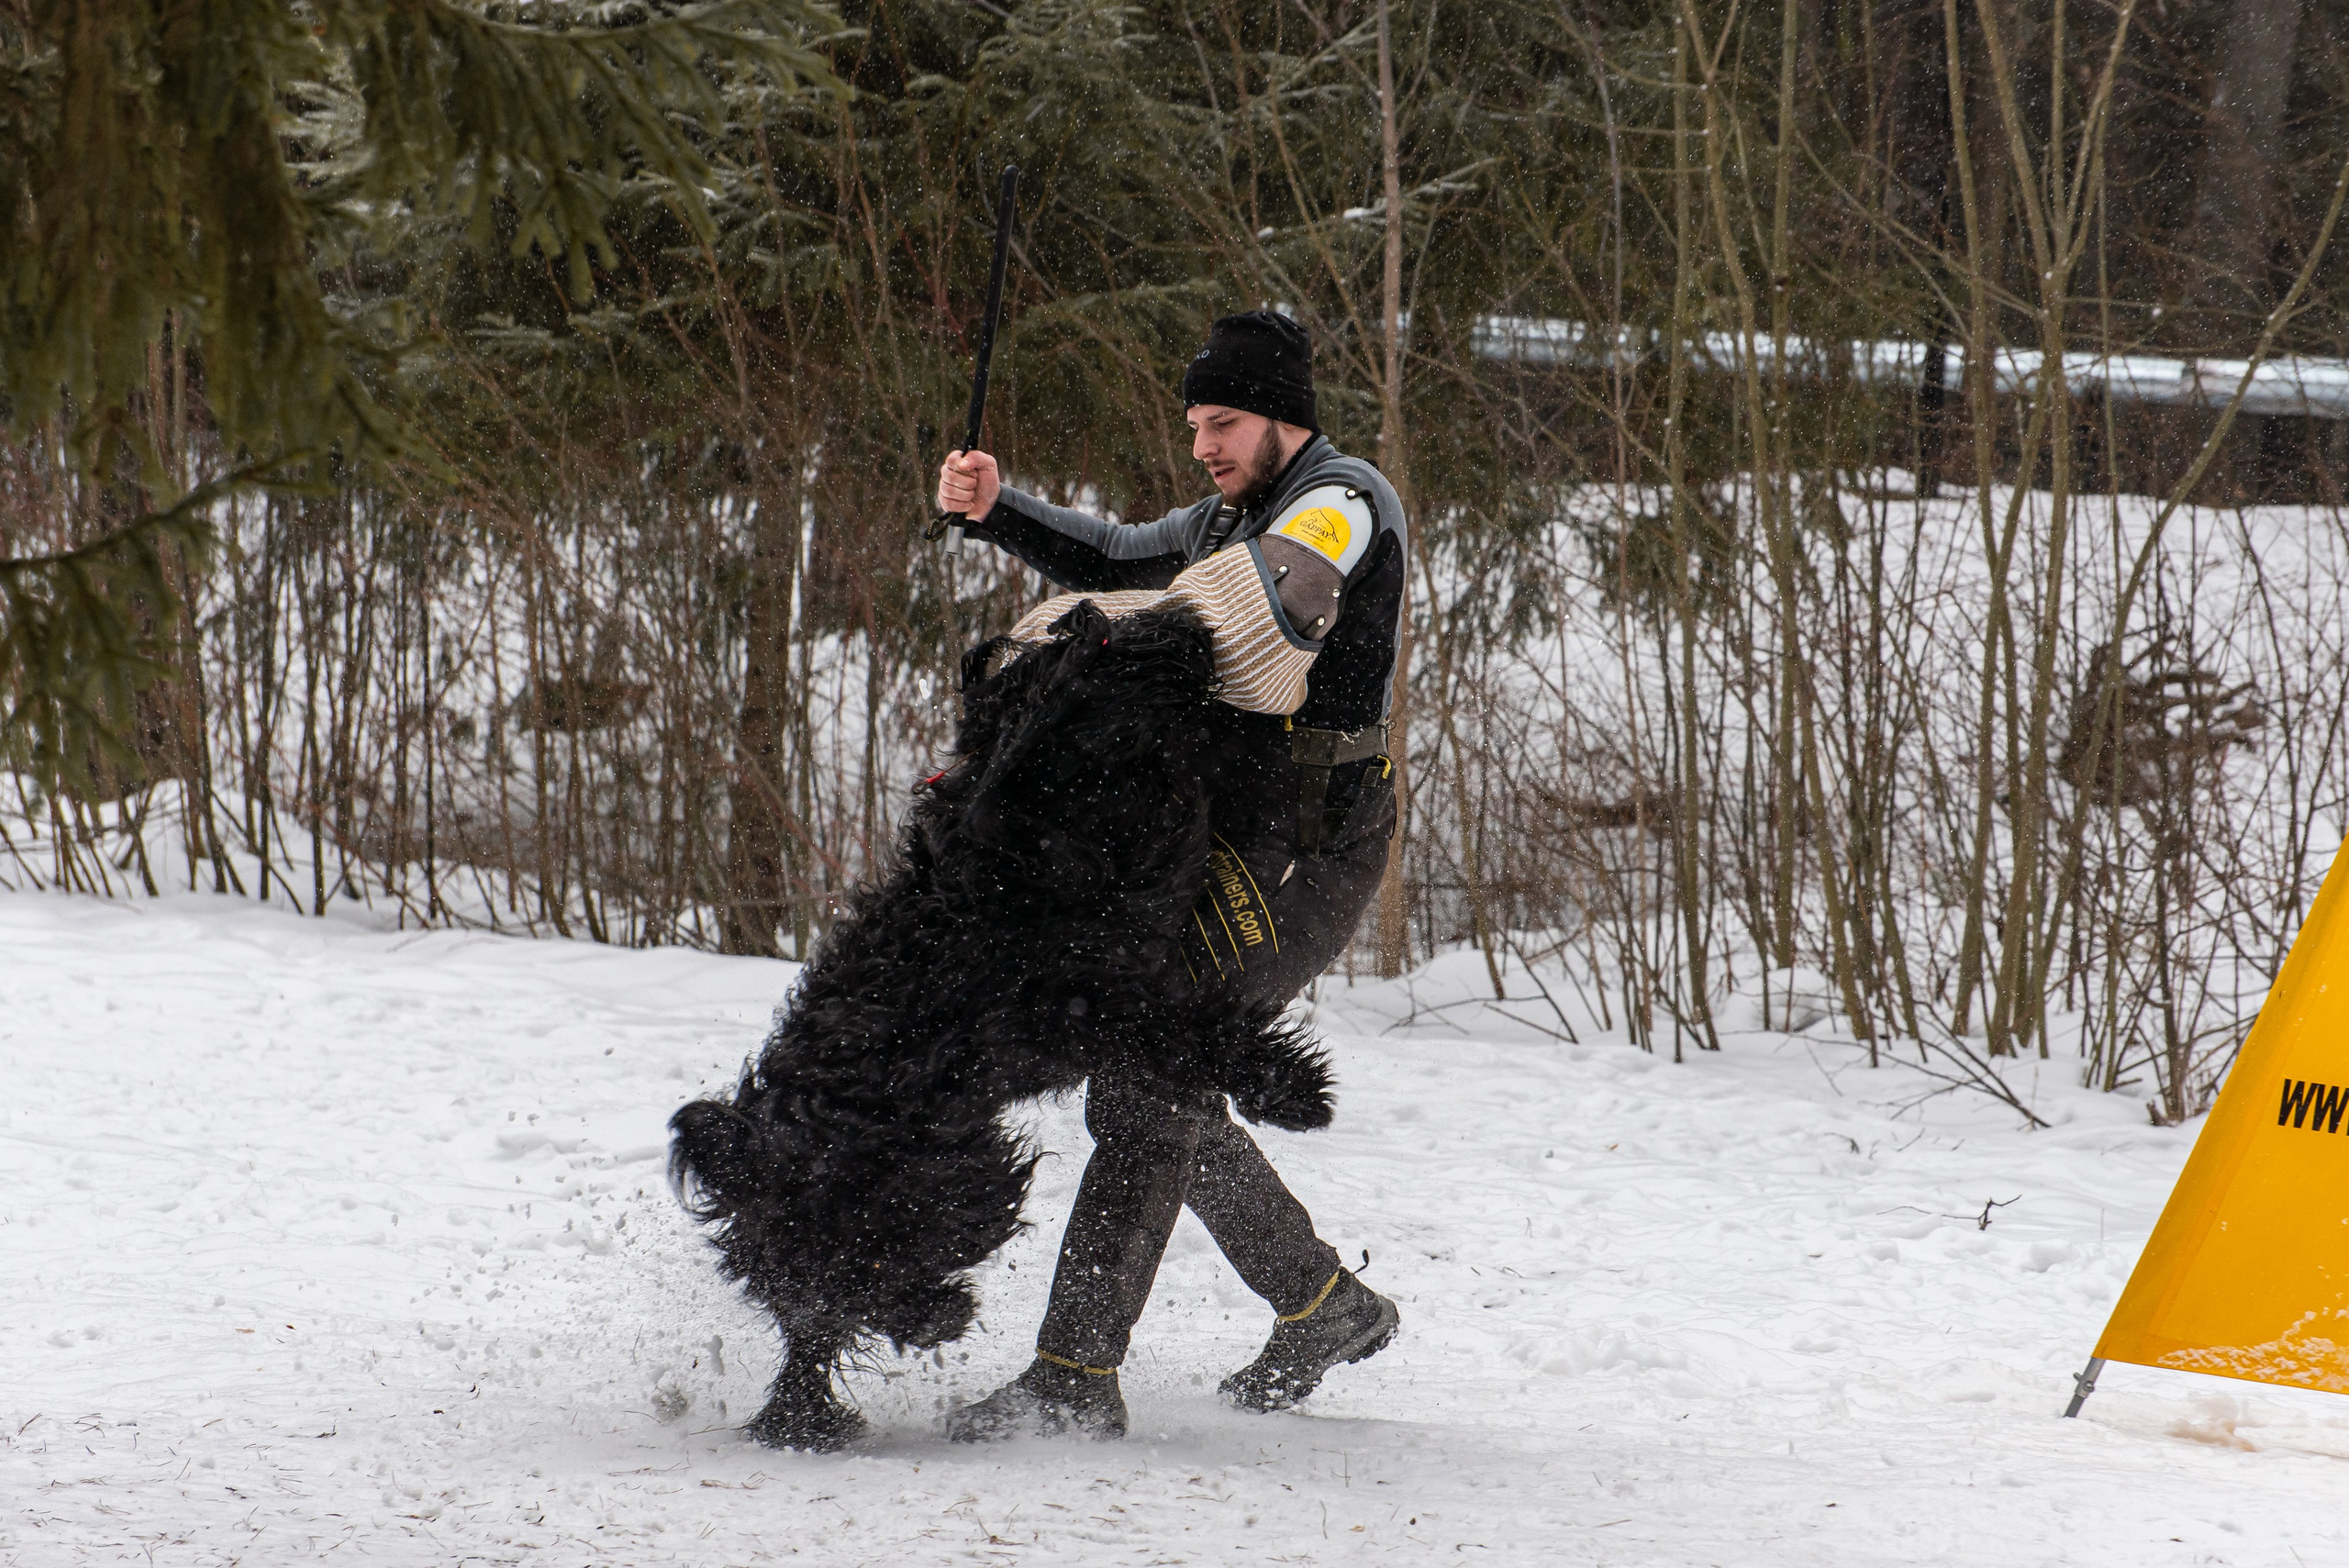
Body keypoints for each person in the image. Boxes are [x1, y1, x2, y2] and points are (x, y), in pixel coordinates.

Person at [930, 310, 1407, 1440]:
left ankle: (1072, 1377)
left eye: (1224, 422)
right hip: (1241, 832)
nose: (1204, 444)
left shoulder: (1343, 500)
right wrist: (1001, 508)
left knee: (1151, 1079)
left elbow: (1277, 592)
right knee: (1153, 1075)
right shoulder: (1226, 515)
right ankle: (1322, 1302)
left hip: (1319, 841)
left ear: (1284, 414)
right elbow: (1111, 554)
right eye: (1196, 424)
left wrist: (1097, 640)